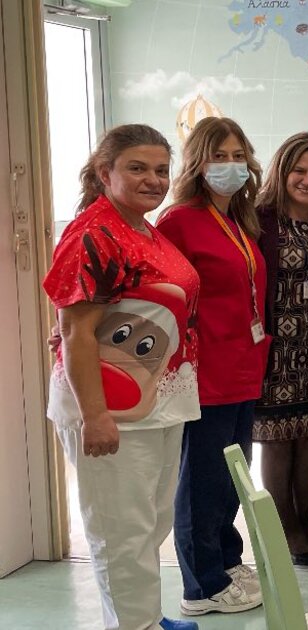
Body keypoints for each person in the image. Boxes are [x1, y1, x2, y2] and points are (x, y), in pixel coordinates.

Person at [43, 123, 202, 630]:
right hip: (109, 406)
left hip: (156, 399)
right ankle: (135, 626)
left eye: (161, 170)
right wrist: (95, 416)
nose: (153, 180)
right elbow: (76, 331)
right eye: (137, 168)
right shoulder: (94, 233)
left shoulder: (141, 227)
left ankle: (144, 616)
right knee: (121, 531)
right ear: (104, 171)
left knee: (151, 519)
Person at [156, 117, 267, 616]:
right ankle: (200, 586)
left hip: (243, 366)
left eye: (238, 155)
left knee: (232, 476)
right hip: (206, 374)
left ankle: (226, 558)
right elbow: (165, 301)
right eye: (219, 156)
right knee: (202, 480)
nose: (230, 165)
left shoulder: (239, 220)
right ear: (197, 163)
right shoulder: (179, 221)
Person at [254, 133, 308, 566]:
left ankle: (306, 523)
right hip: (275, 352)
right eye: (299, 171)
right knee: (278, 441)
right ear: (282, 171)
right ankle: (285, 528)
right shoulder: (260, 219)